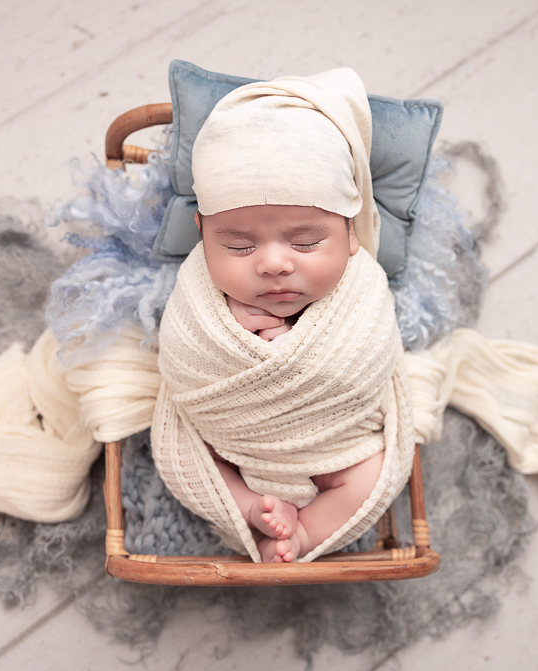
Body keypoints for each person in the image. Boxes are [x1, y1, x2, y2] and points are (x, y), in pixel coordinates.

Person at [151, 68, 416, 564]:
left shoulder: (362, 284)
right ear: (202, 233)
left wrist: (295, 352)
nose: (273, 263)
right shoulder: (202, 290)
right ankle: (249, 505)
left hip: (338, 444)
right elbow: (182, 355)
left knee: (374, 472)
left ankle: (307, 532)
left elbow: (369, 358)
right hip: (228, 439)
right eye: (237, 244)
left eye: (307, 241)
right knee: (183, 456)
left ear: (351, 233)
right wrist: (230, 335)